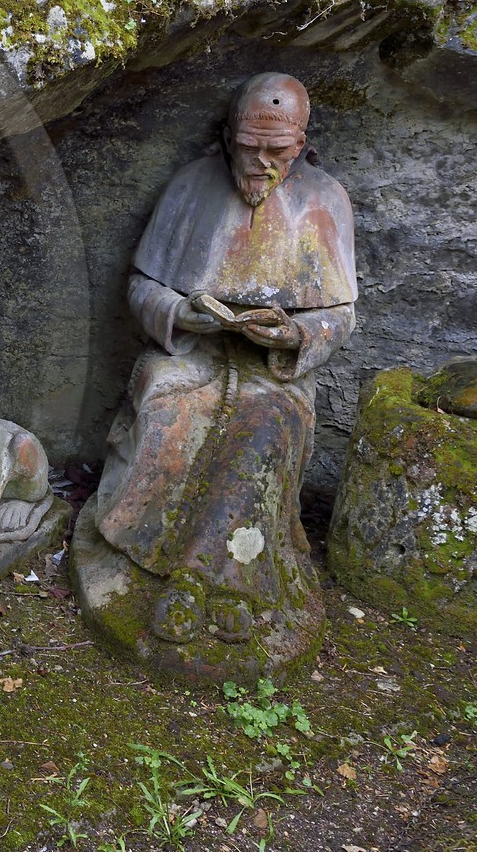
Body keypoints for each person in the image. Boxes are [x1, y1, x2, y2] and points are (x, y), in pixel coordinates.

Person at [82, 73, 356, 648]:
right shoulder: (190, 187)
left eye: (278, 152)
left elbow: (340, 315)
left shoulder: (325, 200)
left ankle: (212, 579)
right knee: (168, 413)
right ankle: (144, 559)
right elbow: (140, 286)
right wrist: (182, 313)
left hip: (273, 370)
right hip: (192, 354)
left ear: (302, 145)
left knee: (269, 427)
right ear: (229, 135)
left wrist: (292, 335)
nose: (261, 164)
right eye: (249, 146)